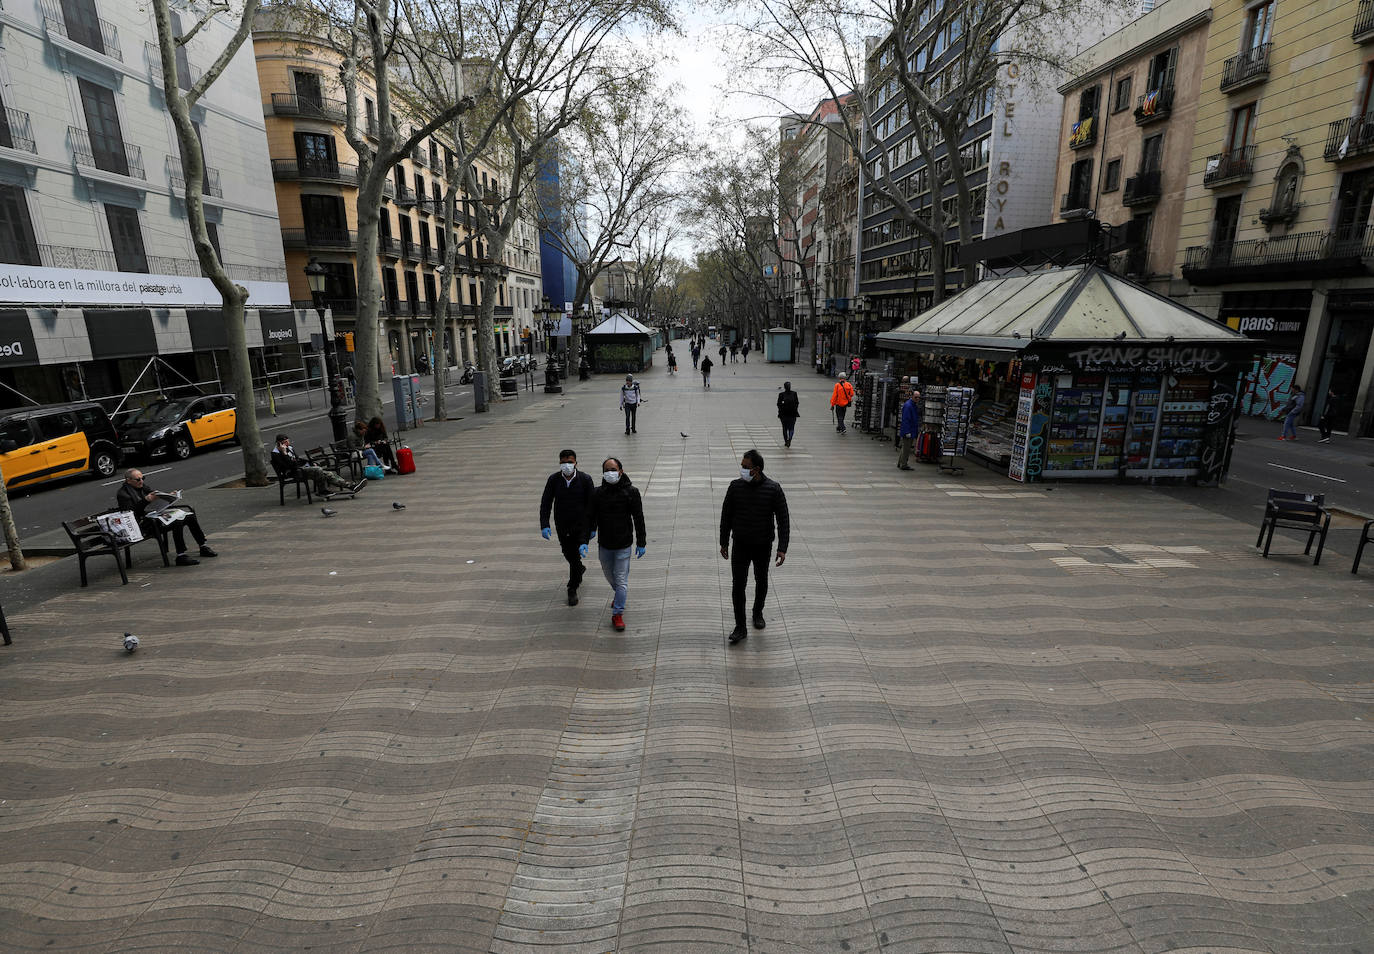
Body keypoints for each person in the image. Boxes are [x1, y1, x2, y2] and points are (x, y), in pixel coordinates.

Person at [719, 449, 789, 645]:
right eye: (741, 466)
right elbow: (726, 516)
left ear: (756, 469)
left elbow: (783, 520)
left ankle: (758, 612)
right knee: (738, 585)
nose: (741, 470)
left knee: (761, 580)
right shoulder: (735, 487)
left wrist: (782, 548)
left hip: (762, 545)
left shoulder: (773, 489)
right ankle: (740, 627)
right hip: (740, 544)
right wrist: (724, 542)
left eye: (745, 467)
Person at [588, 456, 646, 632]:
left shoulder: (631, 492)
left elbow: (638, 518)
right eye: (606, 470)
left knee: (621, 580)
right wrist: (587, 536)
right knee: (609, 575)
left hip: (623, 544)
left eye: (613, 470)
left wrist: (641, 542)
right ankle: (619, 595)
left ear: (621, 471)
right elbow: (591, 516)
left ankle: (617, 613)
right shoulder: (597, 493)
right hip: (604, 544)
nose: (610, 473)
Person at [117, 468, 218, 566]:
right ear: (128, 480)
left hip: (154, 517)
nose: (141, 481)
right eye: (138, 479)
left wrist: (168, 496)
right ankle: (181, 556)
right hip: (143, 524)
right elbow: (130, 513)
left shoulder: (143, 486)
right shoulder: (123, 494)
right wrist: (146, 500)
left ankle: (203, 546)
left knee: (189, 516)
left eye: (143, 478)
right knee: (177, 521)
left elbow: (156, 496)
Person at [540, 448, 596, 605]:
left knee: (575, 556)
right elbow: (546, 502)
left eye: (570, 462)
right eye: (563, 462)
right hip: (563, 525)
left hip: (581, 526)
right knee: (569, 554)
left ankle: (572, 588)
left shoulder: (585, 479)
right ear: (559, 463)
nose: (566, 465)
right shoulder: (554, 480)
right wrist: (544, 524)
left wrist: (593, 527)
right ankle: (579, 568)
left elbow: (592, 504)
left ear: (576, 463)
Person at [271, 434, 366, 496]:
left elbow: (298, 460)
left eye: (288, 441)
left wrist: (310, 463)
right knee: (318, 470)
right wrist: (284, 453)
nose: (288, 444)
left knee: (327, 473)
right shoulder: (276, 454)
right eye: (285, 442)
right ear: (279, 444)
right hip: (293, 472)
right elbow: (291, 466)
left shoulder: (289, 448)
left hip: (301, 469)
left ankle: (350, 486)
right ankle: (324, 490)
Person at [897, 390, 922, 470]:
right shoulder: (909, 405)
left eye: (919, 397)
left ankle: (901, 463)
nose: (917, 399)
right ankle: (903, 464)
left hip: (910, 430)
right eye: (916, 397)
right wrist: (907, 432)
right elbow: (906, 420)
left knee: (905, 447)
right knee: (906, 448)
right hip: (908, 430)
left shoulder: (912, 405)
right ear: (912, 396)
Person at [777, 381, 799, 447]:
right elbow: (797, 403)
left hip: (783, 414)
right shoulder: (794, 393)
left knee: (784, 428)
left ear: (784, 387)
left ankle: (786, 441)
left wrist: (780, 411)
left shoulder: (781, 394)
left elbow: (778, 404)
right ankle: (789, 439)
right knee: (791, 428)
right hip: (792, 414)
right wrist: (795, 409)